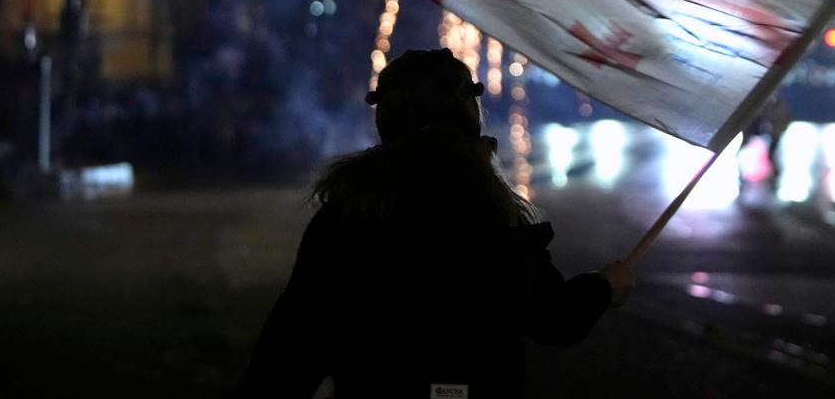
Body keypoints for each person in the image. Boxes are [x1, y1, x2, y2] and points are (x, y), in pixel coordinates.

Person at [240, 48, 635, 397]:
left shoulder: (347, 220)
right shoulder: (494, 217)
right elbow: (553, 319)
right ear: (469, 114)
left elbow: (289, 354)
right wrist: (604, 286)